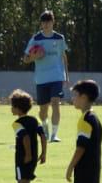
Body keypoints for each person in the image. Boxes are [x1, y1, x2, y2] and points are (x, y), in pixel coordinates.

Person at [21, 11, 69, 142]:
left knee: (55, 103)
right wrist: (33, 57)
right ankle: (45, 128)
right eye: (44, 22)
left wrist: (66, 76)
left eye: (49, 21)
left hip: (57, 77)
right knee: (43, 109)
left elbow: (64, 57)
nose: (46, 24)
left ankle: (54, 135)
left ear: (53, 22)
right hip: (41, 78)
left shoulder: (59, 38)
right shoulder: (36, 39)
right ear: (41, 23)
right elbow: (25, 59)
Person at [10, 90, 43, 183]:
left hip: (22, 157)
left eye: (12, 106)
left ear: (18, 109)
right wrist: (44, 153)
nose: (11, 109)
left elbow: (25, 138)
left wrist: (27, 154)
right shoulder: (35, 120)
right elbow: (43, 136)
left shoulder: (17, 124)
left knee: (21, 181)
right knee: (27, 181)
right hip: (35, 156)